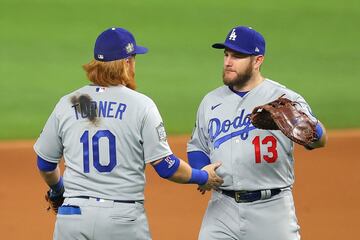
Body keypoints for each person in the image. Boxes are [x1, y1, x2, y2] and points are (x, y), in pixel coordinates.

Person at [34, 27, 223, 240]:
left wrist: (59, 191)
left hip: (72, 216)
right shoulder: (142, 105)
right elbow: (166, 167)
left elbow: (45, 163)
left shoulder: (69, 102)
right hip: (121, 219)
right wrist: (203, 176)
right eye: (133, 59)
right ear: (126, 63)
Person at [187, 26, 327, 240]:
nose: (228, 61)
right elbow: (198, 145)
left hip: (272, 208)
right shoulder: (210, 101)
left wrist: (307, 125)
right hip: (221, 208)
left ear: (258, 60)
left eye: (237, 56)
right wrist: (201, 172)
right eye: (226, 54)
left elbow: (320, 140)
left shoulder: (284, 98)